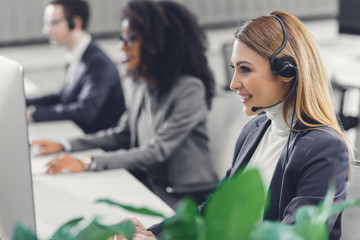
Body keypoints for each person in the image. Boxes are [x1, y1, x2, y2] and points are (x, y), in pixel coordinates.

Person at [125, 10, 351, 240]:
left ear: (286, 71)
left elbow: (295, 236)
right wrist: (154, 234)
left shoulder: (326, 148)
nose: (233, 84)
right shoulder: (254, 130)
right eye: (234, 69)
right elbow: (217, 210)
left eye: (245, 69)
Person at [31, 0, 218, 209]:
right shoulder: (143, 84)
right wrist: (66, 144)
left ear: (155, 43)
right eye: (122, 37)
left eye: (131, 39)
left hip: (187, 198)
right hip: (152, 186)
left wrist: (87, 162)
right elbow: (122, 134)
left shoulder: (189, 89)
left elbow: (156, 151)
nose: (122, 46)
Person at [26, 0, 126, 134]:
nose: (46, 30)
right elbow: (63, 96)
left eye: (52, 23)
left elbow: (85, 112)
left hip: (100, 145)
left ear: (75, 23)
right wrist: (24, 102)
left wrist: (35, 114)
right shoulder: (77, 55)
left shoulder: (98, 64)